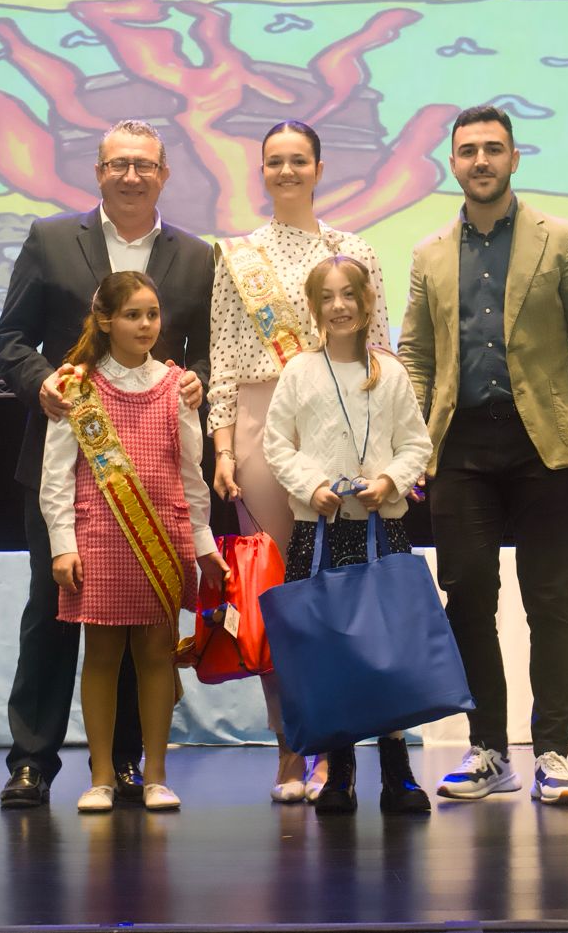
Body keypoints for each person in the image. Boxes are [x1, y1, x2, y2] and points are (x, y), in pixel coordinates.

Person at [397, 104, 568, 806]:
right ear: (452, 163)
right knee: (467, 597)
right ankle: (489, 750)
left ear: (515, 158)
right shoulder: (430, 253)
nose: (481, 161)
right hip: (459, 447)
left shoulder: (562, 239)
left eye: (493, 149)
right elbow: (415, 356)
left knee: (550, 597)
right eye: (468, 150)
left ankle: (553, 752)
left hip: (546, 445)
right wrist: (411, 445)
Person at [0, 120, 215, 810]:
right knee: (53, 614)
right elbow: (10, 339)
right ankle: (32, 761)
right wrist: (44, 385)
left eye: (144, 165)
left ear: (164, 175)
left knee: (139, 619)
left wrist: (200, 382)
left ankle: (123, 763)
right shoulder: (51, 240)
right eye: (119, 163)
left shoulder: (197, 256)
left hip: (153, 476)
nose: (131, 175)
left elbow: (210, 353)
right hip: (68, 473)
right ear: (98, 172)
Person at [207, 120, 391, 802]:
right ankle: (291, 750)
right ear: (262, 170)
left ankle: (335, 753)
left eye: (298, 160)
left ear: (319, 167)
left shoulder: (355, 251)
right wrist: (223, 447)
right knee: (279, 595)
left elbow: (380, 350)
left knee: (337, 590)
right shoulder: (237, 257)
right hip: (262, 427)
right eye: (274, 161)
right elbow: (224, 358)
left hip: (342, 426)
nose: (286, 171)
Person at [41, 271, 226, 812]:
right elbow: (56, 475)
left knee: (156, 655)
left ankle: (156, 776)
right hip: (98, 537)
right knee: (100, 656)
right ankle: (100, 776)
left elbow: (191, 474)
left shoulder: (178, 386)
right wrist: (62, 543)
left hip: (162, 538)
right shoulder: (77, 387)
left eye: (152, 314)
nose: (146, 325)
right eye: (132, 315)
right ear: (104, 321)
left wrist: (203, 542)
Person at [262, 255, 434, 815]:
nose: (339, 306)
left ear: (367, 302)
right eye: (327, 297)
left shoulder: (391, 372)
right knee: (329, 649)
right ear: (314, 308)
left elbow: (417, 444)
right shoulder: (298, 372)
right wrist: (312, 486)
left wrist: (390, 481)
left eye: (349, 295)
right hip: (320, 533)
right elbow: (277, 445)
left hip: (381, 532)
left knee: (390, 650)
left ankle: (397, 771)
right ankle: (338, 771)